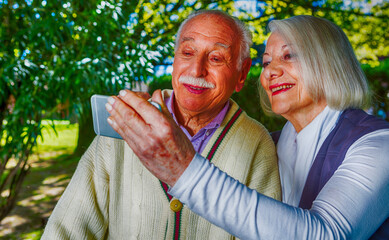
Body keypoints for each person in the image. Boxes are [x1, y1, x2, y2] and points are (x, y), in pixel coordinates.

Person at [106, 15, 389, 239]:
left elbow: (326, 234)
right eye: (267, 62)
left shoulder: (377, 143)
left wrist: (182, 168)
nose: (271, 71)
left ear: (330, 63)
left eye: (289, 56)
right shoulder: (270, 145)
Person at [42, 10, 281, 239]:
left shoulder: (257, 144)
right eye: (187, 52)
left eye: (216, 58)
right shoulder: (126, 123)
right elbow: (66, 229)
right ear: (175, 59)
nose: (197, 70)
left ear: (242, 74)